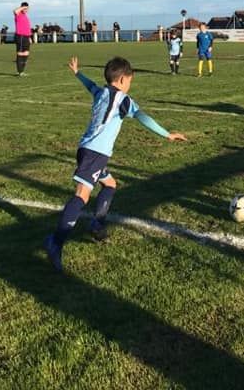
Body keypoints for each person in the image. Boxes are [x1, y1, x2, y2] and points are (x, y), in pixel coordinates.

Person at [44, 56, 187, 272]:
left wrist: (77, 73)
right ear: (121, 80)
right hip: (95, 153)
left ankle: (97, 224)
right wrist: (167, 134)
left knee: (110, 184)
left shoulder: (101, 92)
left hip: (88, 149)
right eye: (129, 81)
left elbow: (89, 85)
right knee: (82, 195)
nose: (130, 85)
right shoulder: (123, 99)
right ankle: (56, 242)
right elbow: (143, 117)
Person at [14, 2, 32, 76]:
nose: (26, 10)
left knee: (26, 53)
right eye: (25, 8)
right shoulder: (18, 14)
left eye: (27, 8)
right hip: (20, 36)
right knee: (20, 53)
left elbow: (27, 27)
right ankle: (20, 72)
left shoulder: (25, 16)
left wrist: (29, 37)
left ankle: (22, 71)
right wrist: (23, 7)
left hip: (26, 37)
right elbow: (15, 11)